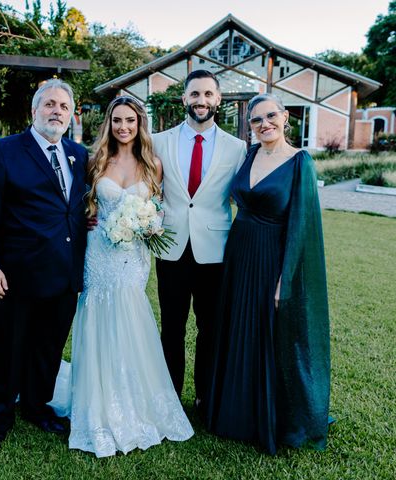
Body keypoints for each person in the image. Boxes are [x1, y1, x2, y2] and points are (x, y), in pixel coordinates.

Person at [54, 95, 193, 457]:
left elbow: (159, 208)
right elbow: (80, 201)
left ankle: (135, 401)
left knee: (131, 318)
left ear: (139, 123)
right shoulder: (95, 159)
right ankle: (98, 404)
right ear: (109, 123)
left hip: (133, 258)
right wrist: (85, 216)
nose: (124, 127)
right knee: (99, 316)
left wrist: (150, 225)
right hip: (99, 253)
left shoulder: (153, 165)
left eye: (130, 120)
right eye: (117, 120)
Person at [204, 93, 330, 454]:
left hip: (271, 259)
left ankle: (266, 416)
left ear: (285, 117)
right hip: (238, 256)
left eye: (270, 116)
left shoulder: (299, 162)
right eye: (256, 120)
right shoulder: (250, 155)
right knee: (236, 329)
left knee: (266, 336)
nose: (264, 124)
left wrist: (284, 280)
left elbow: (301, 227)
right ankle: (232, 412)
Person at [0, 79, 89, 452]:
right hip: (14, 275)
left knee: (47, 347)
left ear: (70, 116)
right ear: (34, 111)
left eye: (64, 107)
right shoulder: (2, 151)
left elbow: (74, 206)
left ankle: (38, 406)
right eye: (50, 104)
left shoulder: (78, 154)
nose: (57, 111)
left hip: (64, 272)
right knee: (6, 346)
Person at [151, 70, 247, 407]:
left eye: (208, 94)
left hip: (215, 253)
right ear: (184, 99)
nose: (201, 101)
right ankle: (170, 398)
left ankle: (207, 397)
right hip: (171, 247)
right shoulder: (158, 140)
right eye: (195, 94)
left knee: (211, 329)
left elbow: (247, 196)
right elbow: (148, 189)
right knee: (172, 329)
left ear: (218, 99)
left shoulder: (238, 148)